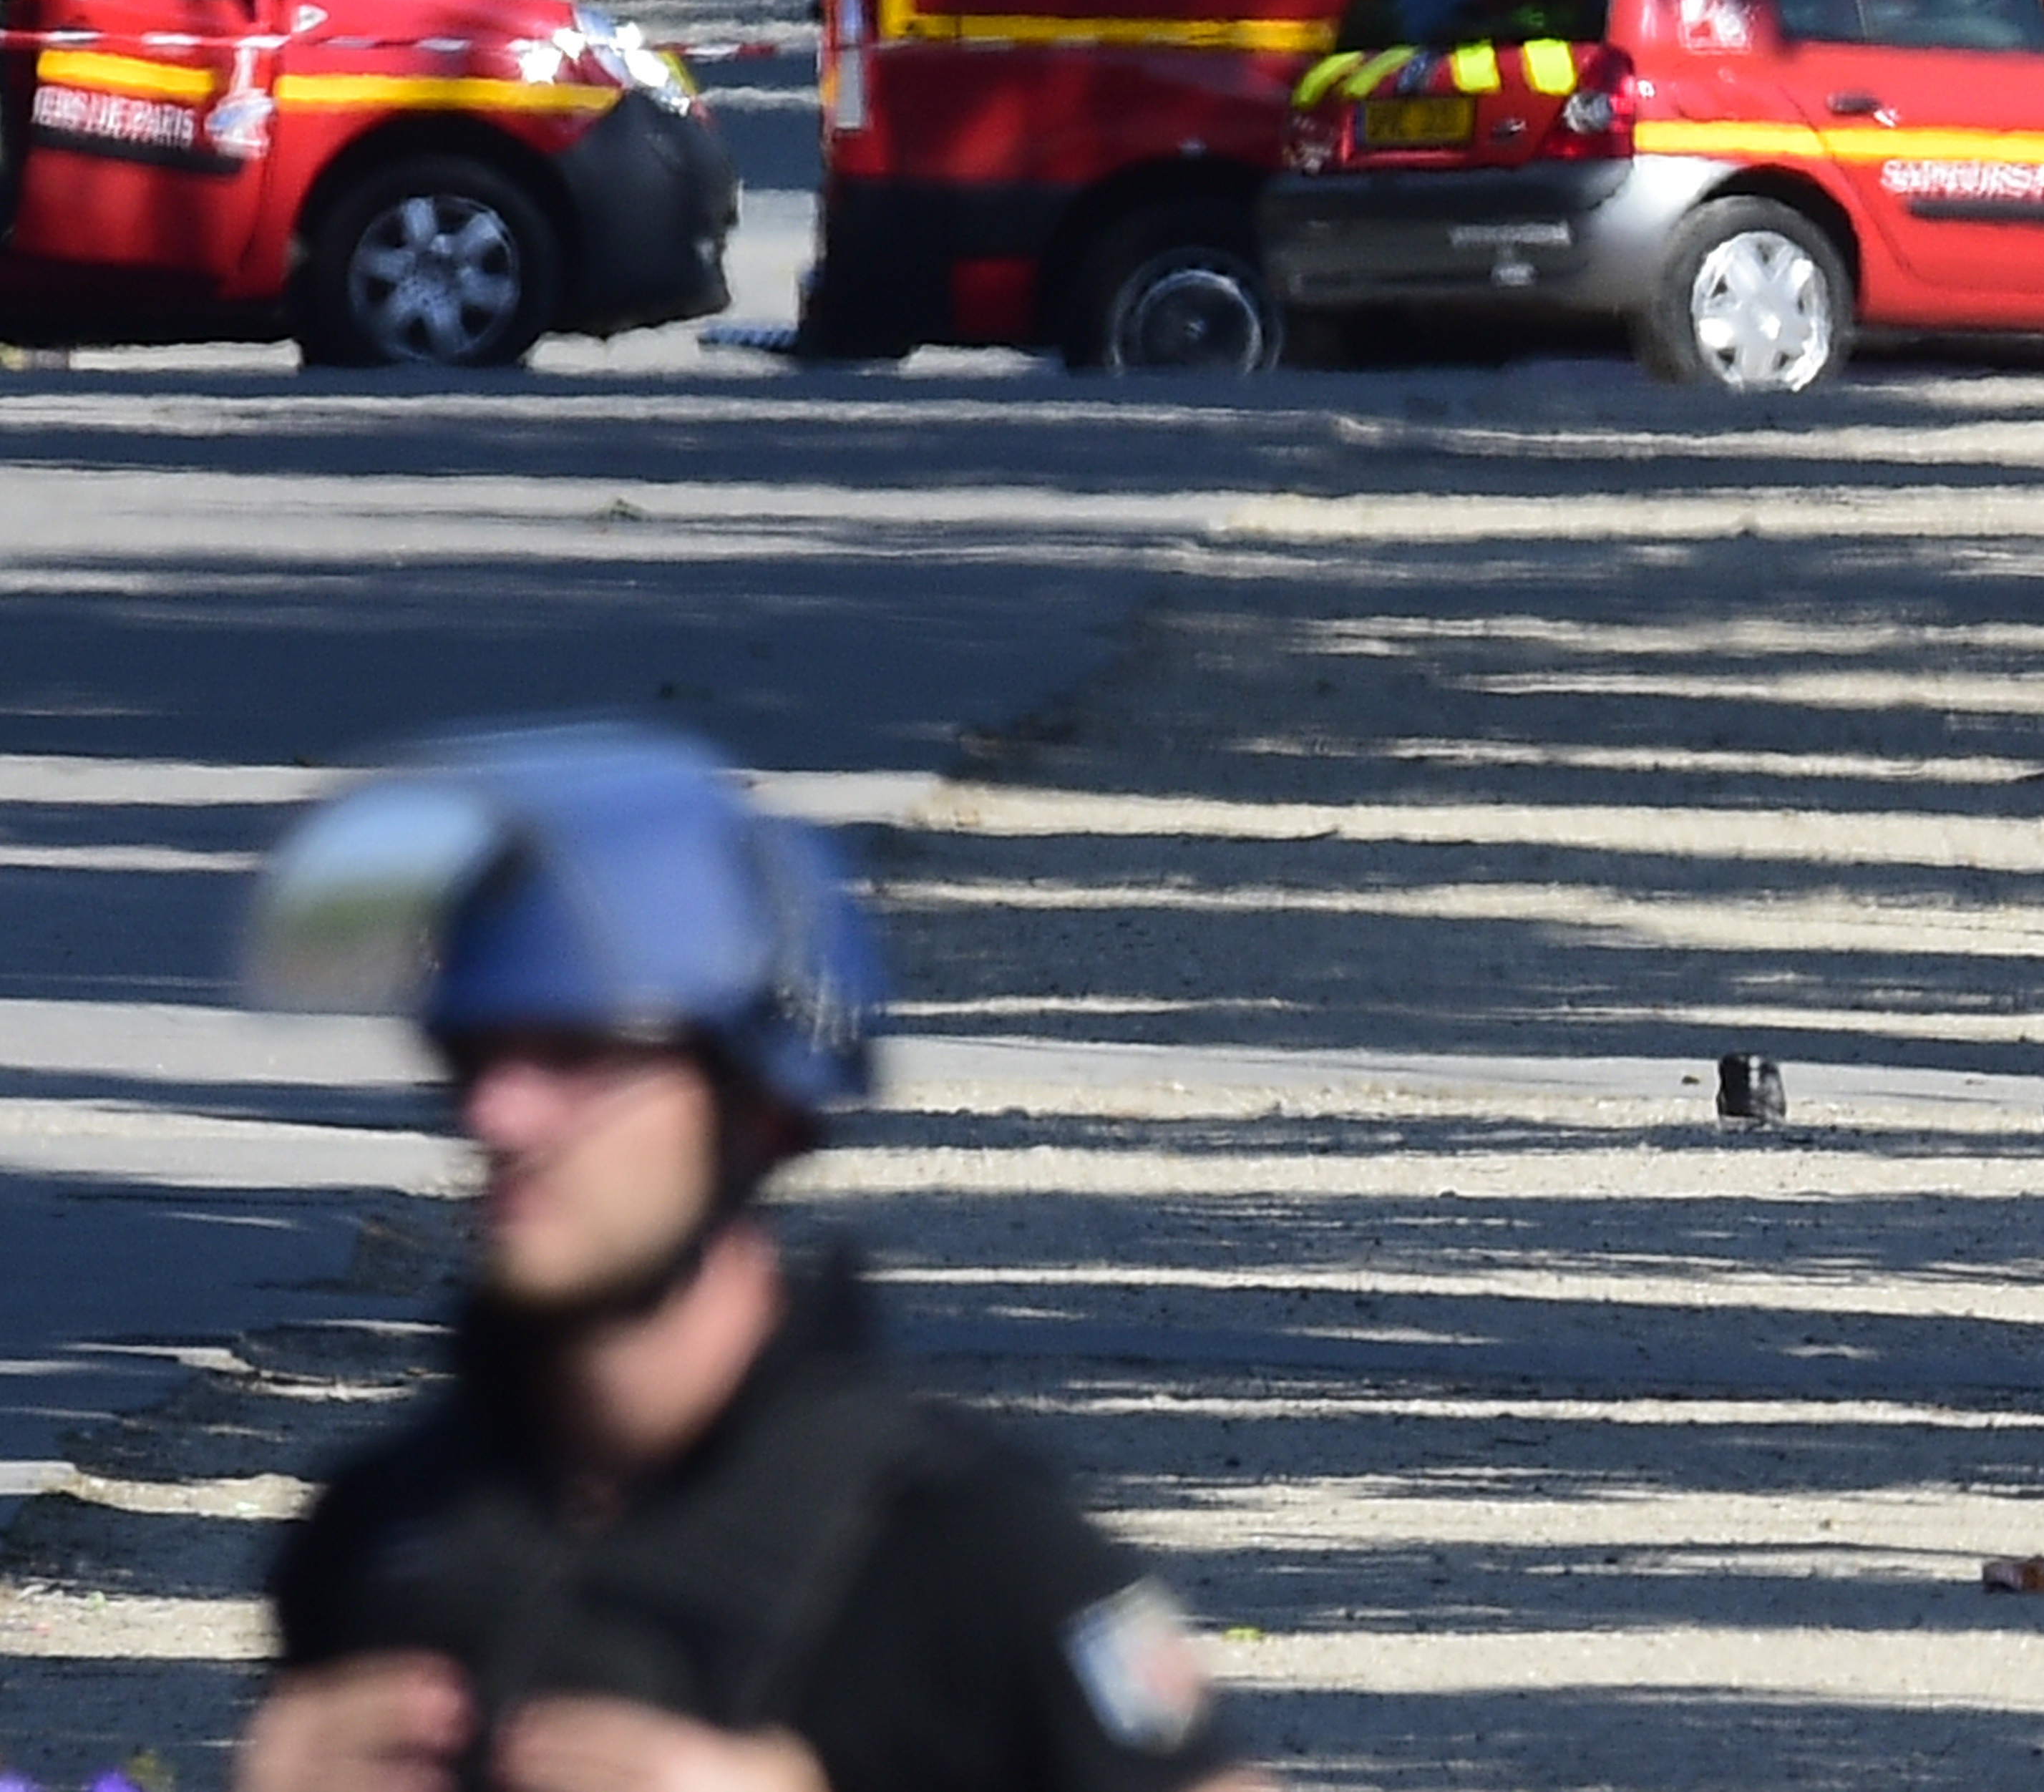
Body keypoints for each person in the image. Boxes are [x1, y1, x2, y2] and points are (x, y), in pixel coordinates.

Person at [230, 724, 1277, 1792]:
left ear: (762, 1109)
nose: (499, 1111)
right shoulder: (378, 1536)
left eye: (579, 1054)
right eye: (475, 1055)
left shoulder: (971, 1558)